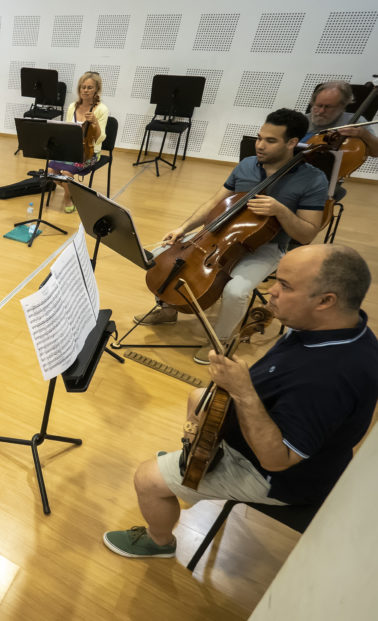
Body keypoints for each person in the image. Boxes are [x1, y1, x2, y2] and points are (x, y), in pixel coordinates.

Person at [104, 244, 378, 560]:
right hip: (271, 435)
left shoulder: (329, 378)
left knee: (147, 479)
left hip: (278, 478)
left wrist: (244, 392)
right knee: (199, 398)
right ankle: (196, 464)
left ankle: (159, 541)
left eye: (285, 286)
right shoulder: (333, 328)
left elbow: (278, 459)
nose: (271, 292)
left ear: (326, 301)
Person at [137, 108, 329, 365]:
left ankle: (220, 339)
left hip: (265, 246)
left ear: (292, 143)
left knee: (236, 290)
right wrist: (183, 228)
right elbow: (214, 203)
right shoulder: (247, 165)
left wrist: (280, 211)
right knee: (162, 257)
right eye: (259, 137)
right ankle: (168, 310)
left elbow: (307, 233)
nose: (259, 145)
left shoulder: (312, 179)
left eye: (270, 141)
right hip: (219, 235)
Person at [47, 71, 109, 213]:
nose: (85, 90)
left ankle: (68, 198)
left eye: (89, 88)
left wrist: (95, 123)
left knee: (67, 173)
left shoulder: (101, 109)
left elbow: (100, 138)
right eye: (83, 87)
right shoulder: (72, 107)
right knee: (51, 172)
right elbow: (68, 131)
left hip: (91, 153)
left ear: (96, 90)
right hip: (71, 149)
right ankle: (75, 192)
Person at [302, 81, 378, 155]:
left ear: (342, 106)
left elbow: (376, 152)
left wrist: (364, 134)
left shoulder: (356, 121)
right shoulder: (302, 120)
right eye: (319, 105)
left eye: (328, 107)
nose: (321, 111)